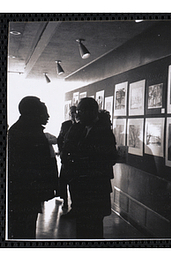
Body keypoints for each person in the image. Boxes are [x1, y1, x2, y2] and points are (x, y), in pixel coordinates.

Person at [60, 98, 118, 238]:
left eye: (82, 111)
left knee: (94, 225)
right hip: (79, 184)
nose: (79, 114)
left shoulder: (103, 131)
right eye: (79, 111)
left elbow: (111, 157)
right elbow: (66, 150)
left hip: (96, 186)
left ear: (92, 112)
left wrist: (83, 158)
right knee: (81, 224)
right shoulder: (77, 128)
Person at [7, 96, 58, 239]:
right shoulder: (27, 132)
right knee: (24, 229)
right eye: (43, 113)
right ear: (33, 113)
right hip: (26, 192)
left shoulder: (24, 130)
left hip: (25, 191)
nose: (47, 116)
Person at [57, 105, 77, 210]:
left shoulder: (82, 126)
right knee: (63, 180)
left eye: (75, 112)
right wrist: (61, 151)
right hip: (66, 158)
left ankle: (74, 204)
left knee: (74, 183)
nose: (73, 115)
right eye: (71, 113)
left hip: (75, 160)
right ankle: (65, 200)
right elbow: (60, 139)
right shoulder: (65, 125)